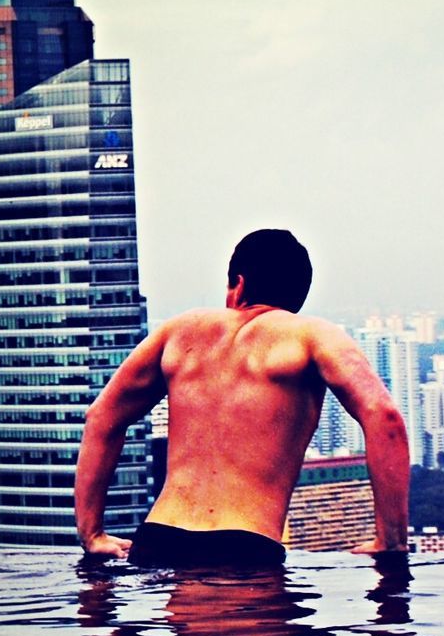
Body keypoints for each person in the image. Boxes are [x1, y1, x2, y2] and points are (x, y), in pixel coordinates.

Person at [75, 228, 410, 567]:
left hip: (158, 539)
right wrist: (391, 539)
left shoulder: (179, 330)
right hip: (243, 546)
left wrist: (92, 534)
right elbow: (385, 417)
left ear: (239, 283)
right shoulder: (313, 336)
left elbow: (101, 416)